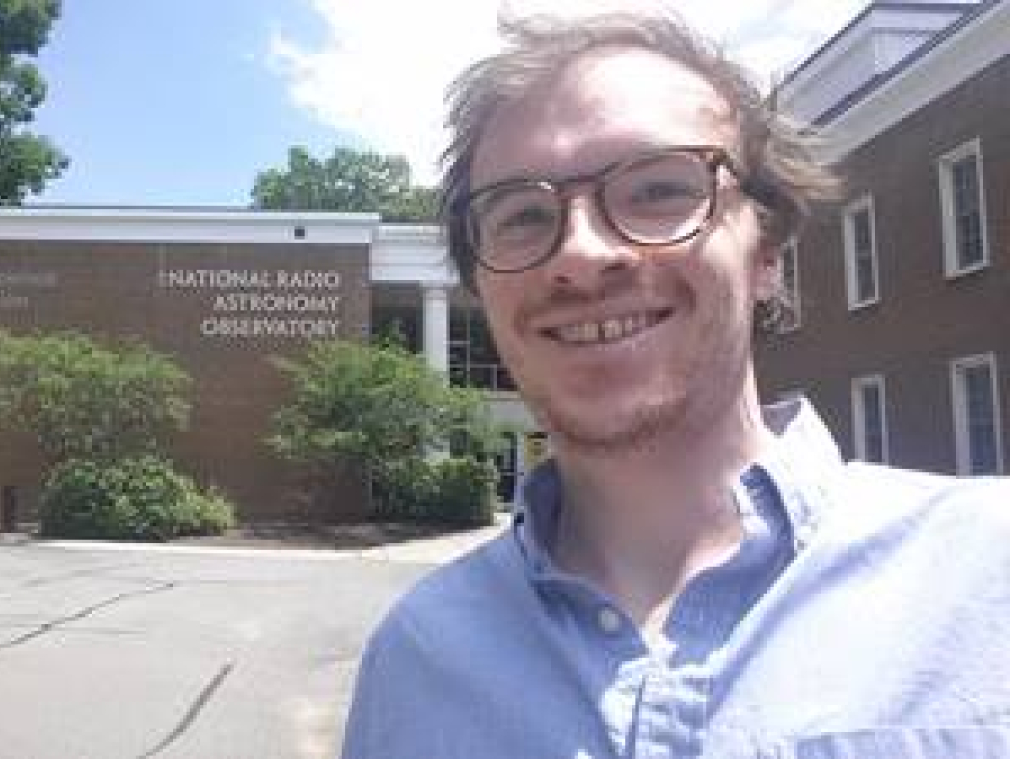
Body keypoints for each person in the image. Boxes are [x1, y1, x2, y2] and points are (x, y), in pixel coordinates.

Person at [341, 10, 1010, 758]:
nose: (583, 253)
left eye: (659, 189)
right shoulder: (416, 661)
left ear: (767, 253)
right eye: (524, 215)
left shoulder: (989, 579)